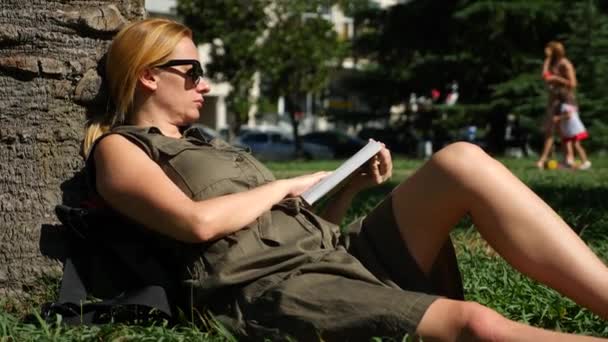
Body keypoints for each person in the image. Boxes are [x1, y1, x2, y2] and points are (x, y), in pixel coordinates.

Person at [82, 18, 608, 341]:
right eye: (193, 73)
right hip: (276, 288)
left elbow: (299, 227)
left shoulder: (211, 146)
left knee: (461, 161)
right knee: (477, 325)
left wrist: (347, 186)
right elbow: (195, 224)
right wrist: (283, 186)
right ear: (150, 74)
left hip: (336, 253)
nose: (206, 84)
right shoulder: (122, 149)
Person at [536, 41, 578, 169]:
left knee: (563, 132)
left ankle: (567, 159)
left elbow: (573, 84)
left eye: (549, 52)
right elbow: (544, 75)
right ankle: (566, 159)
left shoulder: (565, 64)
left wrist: (556, 79)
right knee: (555, 131)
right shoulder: (553, 63)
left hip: (565, 101)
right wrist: (548, 59)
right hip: (554, 101)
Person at [558, 101, 592, 170]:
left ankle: (585, 162)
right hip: (570, 129)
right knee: (568, 144)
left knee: (576, 145)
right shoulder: (571, 104)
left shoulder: (565, 105)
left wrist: (558, 118)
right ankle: (569, 162)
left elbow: (568, 115)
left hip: (574, 129)